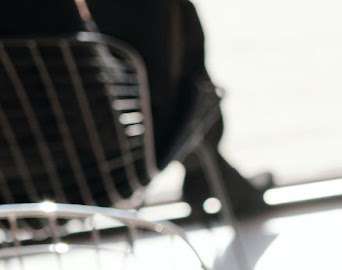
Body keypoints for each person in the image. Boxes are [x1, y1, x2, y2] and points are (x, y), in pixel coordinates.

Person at [1, 0, 268, 217]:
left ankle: (205, 168)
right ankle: (204, 164)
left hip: (6, 192)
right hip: (101, 167)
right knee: (165, 15)